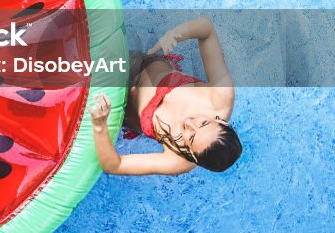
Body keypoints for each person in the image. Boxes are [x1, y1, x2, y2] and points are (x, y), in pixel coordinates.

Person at [88, 17, 241, 175]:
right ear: (220, 121)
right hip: (142, 64)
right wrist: (176, 34)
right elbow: (207, 29)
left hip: (122, 109)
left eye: (191, 137)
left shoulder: (177, 160)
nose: (189, 123)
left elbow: (115, 165)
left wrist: (100, 126)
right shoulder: (220, 95)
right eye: (203, 123)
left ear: (193, 155)